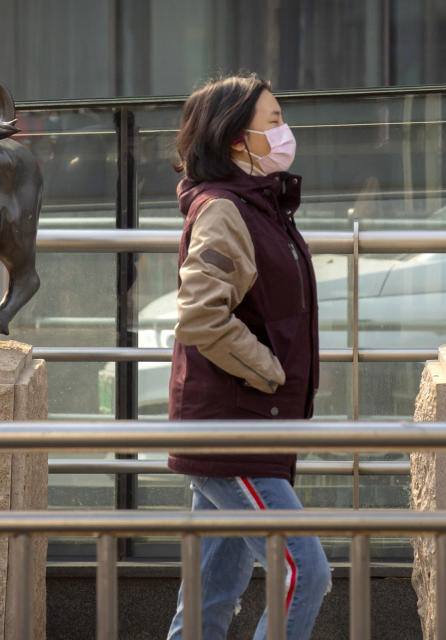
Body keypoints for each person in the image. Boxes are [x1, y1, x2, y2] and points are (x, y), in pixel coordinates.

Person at [165, 73, 330, 640]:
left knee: (211, 595)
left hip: (253, 422)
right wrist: (270, 372)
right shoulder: (225, 210)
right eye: (275, 121)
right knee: (305, 570)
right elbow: (200, 316)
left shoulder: (263, 206)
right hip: (235, 426)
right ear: (238, 139)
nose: (286, 132)